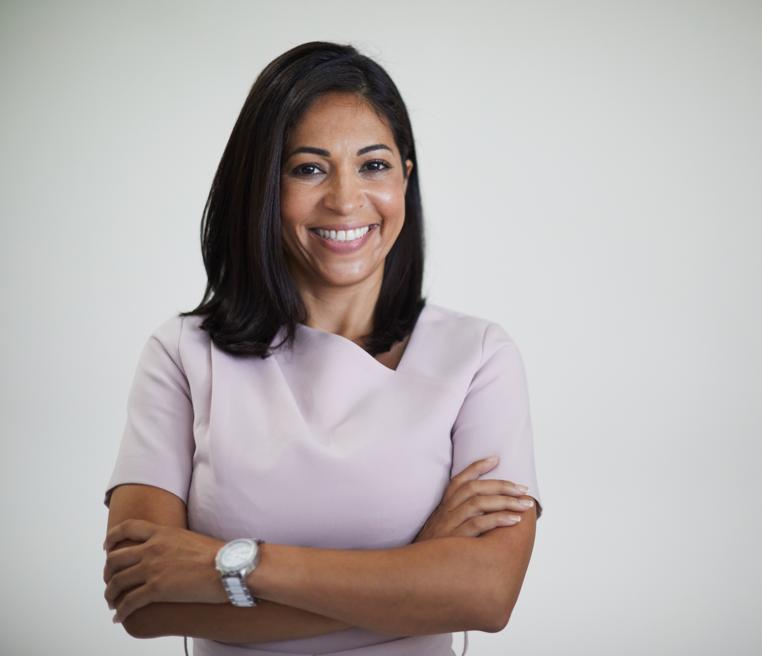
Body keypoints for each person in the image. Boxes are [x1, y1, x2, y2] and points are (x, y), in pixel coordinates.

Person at [100, 41, 543, 656]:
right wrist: (415, 572)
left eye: (374, 165)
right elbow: (144, 604)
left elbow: (486, 595)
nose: (344, 199)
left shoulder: (478, 357)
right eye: (308, 168)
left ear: (405, 180)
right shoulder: (182, 354)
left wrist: (231, 566)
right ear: (263, 186)